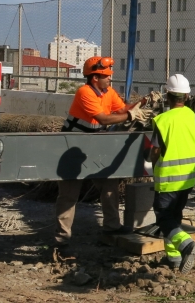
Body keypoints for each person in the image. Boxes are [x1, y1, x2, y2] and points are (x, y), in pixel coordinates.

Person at [55, 56, 146, 247]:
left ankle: (112, 226)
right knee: (69, 193)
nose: (109, 79)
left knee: (109, 183)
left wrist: (142, 103)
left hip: (95, 144)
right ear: (94, 78)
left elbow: (122, 109)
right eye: (105, 76)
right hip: (73, 146)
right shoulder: (85, 92)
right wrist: (129, 115)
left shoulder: (108, 92)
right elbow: (104, 119)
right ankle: (62, 238)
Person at [149, 74, 195, 272]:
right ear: (187, 96)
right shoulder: (190, 115)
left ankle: (187, 245)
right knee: (174, 218)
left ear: (167, 96)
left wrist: (150, 166)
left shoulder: (163, 120)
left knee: (163, 218)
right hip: (186, 180)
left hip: (168, 179)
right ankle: (174, 258)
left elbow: (155, 150)